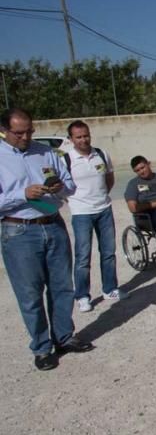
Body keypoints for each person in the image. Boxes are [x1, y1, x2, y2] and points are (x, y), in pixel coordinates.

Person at [0, 108, 93, 371]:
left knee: (62, 287)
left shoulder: (46, 151)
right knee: (30, 293)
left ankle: (63, 337)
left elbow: (69, 184)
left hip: (53, 225)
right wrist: (23, 194)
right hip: (19, 231)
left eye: (29, 130)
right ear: (5, 130)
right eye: (19, 133)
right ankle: (41, 347)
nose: (26, 137)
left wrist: (59, 187)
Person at [63, 120, 126, 313]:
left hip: (104, 209)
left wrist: (101, 196)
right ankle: (82, 296)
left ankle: (110, 289)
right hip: (81, 213)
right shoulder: (66, 159)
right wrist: (76, 202)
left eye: (86, 135)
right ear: (71, 139)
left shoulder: (101, 154)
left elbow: (109, 178)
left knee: (108, 253)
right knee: (83, 257)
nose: (83, 140)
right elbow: (62, 187)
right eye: (79, 137)